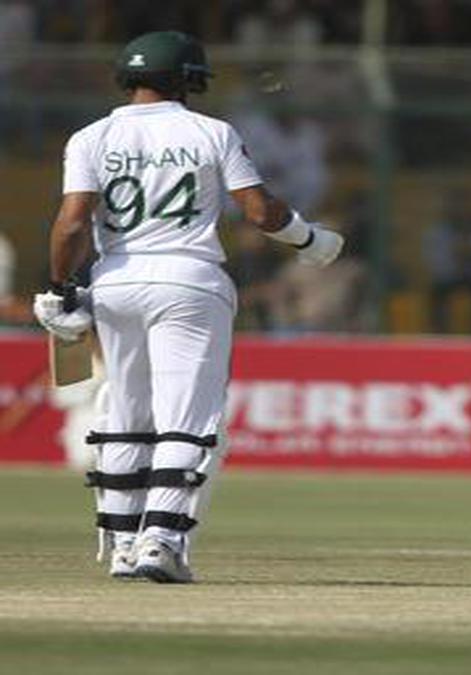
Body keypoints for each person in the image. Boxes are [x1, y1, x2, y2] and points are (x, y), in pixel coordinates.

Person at [31, 31, 343, 584]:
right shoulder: (211, 131)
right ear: (191, 79)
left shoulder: (90, 136)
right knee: (187, 418)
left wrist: (59, 289)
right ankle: (162, 541)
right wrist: (309, 240)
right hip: (189, 282)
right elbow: (260, 212)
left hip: (116, 282)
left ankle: (124, 544)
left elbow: (73, 222)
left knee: (125, 414)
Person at [423, 185, 471, 335]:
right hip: (449, 275)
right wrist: (455, 257)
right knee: (437, 293)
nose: (464, 209)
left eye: (468, 204)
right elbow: (434, 259)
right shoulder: (439, 230)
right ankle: (439, 334)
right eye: (460, 205)